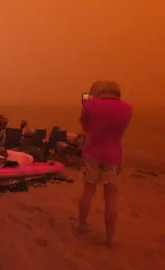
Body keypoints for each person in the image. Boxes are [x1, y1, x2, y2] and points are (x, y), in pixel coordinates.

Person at [78, 80, 132, 247]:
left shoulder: (90, 105)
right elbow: (119, 132)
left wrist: (86, 105)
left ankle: (82, 224)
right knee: (111, 198)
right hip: (113, 154)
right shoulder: (127, 108)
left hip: (92, 153)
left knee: (88, 191)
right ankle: (110, 237)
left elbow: (85, 127)